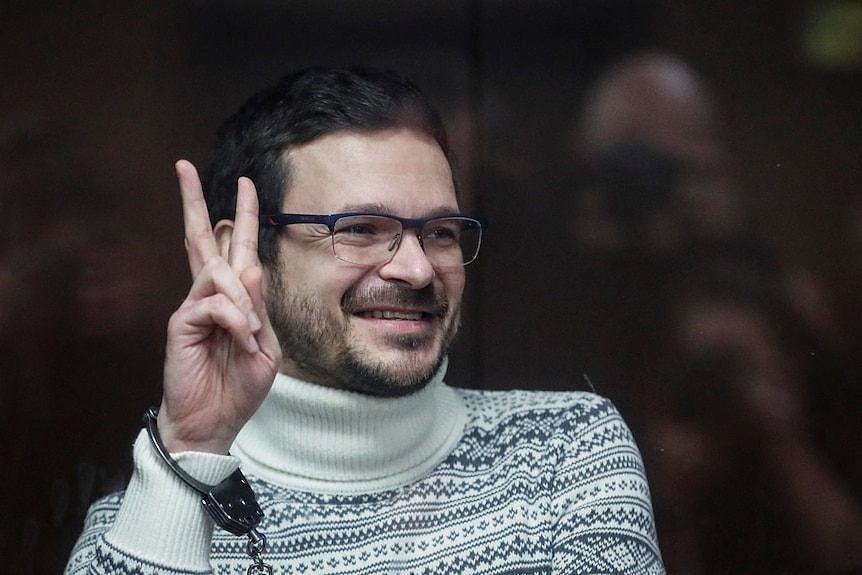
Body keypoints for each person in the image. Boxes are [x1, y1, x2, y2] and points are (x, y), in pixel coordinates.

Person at [65, 66, 664, 574]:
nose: (416, 269)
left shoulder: (563, 454)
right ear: (241, 252)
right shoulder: (140, 525)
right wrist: (192, 453)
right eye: (359, 230)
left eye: (440, 232)